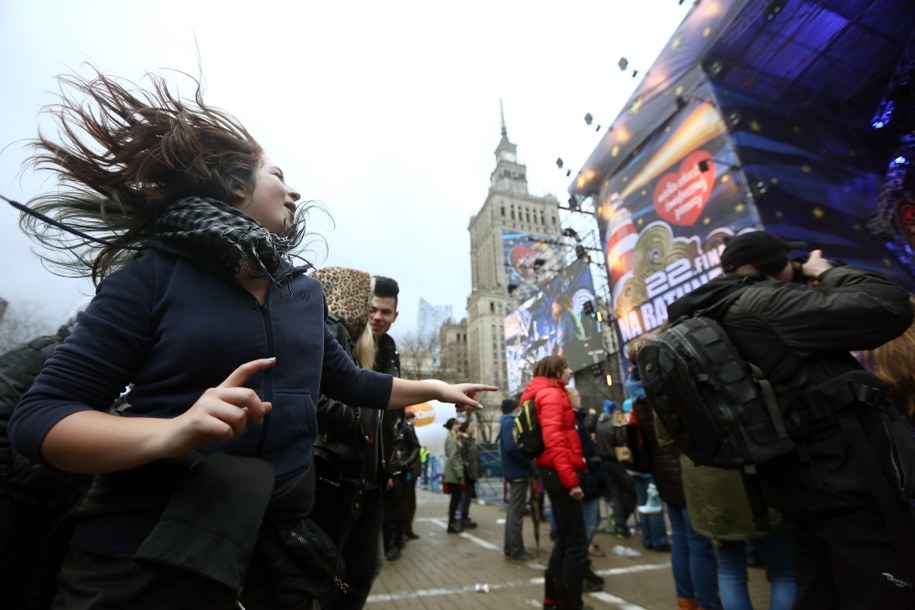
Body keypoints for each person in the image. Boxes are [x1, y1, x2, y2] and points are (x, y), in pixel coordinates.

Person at [7, 69, 495, 610]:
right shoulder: (151, 276)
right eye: (277, 175)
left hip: (279, 548)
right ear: (236, 186)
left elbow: (350, 381)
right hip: (150, 553)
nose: (295, 190)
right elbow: (42, 419)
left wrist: (432, 387)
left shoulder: (303, 292)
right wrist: (172, 431)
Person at [665, 229, 915, 609]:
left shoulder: (710, 316)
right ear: (766, 267)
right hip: (847, 481)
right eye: (788, 262)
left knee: (817, 591)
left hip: (790, 482)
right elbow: (891, 304)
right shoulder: (762, 302)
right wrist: (827, 271)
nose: (794, 267)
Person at [0, 300, 92, 610]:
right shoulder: (41, 357)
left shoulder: (97, 374)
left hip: (56, 505)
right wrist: (14, 474)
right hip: (14, 498)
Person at [307, 266, 383, 609]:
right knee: (332, 574)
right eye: (369, 306)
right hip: (329, 473)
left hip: (349, 478)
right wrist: (354, 420)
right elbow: (313, 397)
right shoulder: (330, 330)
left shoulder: (354, 343)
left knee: (349, 570)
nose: (374, 315)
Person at [522, 355, 591, 610]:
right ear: (556, 371)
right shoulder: (550, 395)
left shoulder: (546, 393)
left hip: (551, 471)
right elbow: (554, 442)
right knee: (577, 542)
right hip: (557, 472)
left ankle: (552, 600)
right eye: (566, 367)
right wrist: (571, 481)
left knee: (564, 538)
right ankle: (571, 604)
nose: (571, 371)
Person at [568, 387, 607, 593]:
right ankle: (579, 574)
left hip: (586, 480)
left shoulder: (577, 421)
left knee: (587, 525)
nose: (580, 398)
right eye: (576, 396)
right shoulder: (572, 422)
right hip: (584, 481)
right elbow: (576, 453)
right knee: (585, 527)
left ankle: (581, 570)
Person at [498, 397, 535, 561]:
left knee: (514, 511)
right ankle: (516, 548)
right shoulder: (510, 423)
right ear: (517, 409)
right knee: (516, 512)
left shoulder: (506, 422)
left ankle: (510, 546)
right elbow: (512, 448)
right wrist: (527, 462)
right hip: (518, 472)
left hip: (515, 471)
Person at [594, 399, 636, 539]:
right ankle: (620, 521)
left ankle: (619, 524)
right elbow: (621, 441)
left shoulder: (600, 423)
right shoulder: (616, 422)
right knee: (632, 492)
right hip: (618, 462)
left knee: (616, 495)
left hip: (605, 462)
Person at [442, 417, 467, 533]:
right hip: (454, 473)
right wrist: (459, 473)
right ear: (452, 426)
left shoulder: (454, 437)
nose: (459, 426)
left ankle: (451, 524)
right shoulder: (451, 439)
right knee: (455, 500)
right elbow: (452, 457)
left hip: (453, 472)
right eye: (457, 424)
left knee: (455, 499)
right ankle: (451, 525)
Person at [402, 410, 422, 541]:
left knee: (408, 501)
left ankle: (406, 530)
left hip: (408, 471)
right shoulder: (407, 428)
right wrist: (407, 464)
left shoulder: (403, 427)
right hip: (408, 471)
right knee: (408, 502)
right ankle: (406, 530)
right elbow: (416, 447)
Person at [458, 418, 480, 529]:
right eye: (471, 426)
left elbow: (475, 458)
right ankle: (462, 518)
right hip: (467, 475)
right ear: (466, 428)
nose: (473, 428)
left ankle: (465, 517)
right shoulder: (464, 441)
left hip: (472, 473)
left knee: (468, 497)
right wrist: (467, 472)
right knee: (465, 497)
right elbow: (463, 458)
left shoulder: (471, 440)